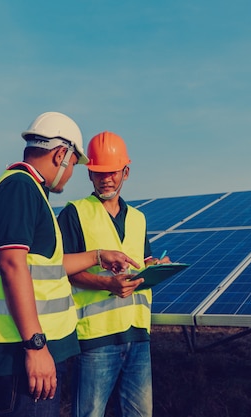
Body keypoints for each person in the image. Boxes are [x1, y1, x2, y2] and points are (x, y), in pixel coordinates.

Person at [0, 113, 139, 417]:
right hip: (20, 352)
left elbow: (49, 264)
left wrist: (99, 255)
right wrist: (35, 345)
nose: (72, 173)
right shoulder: (19, 187)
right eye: (73, 164)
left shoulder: (32, 191)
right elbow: (12, 265)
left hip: (32, 349)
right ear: (61, 154)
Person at [57, 131, 170, 417]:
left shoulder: (138, 218)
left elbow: (139, 263)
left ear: (126, 172)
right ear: (89, 175)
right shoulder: (75, 213)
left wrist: (153, 267)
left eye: (111, 172)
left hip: (138, 336)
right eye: (97, 172)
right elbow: (61, 269)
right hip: (96, 339)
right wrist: (107, 284)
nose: (105, 178)